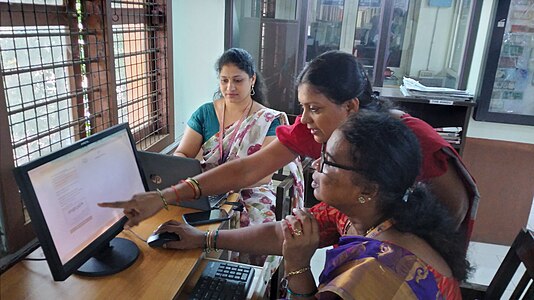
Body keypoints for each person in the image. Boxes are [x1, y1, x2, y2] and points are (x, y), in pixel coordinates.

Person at [99, 50, 474, 253]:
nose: (305, 120)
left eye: (315, 108)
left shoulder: (409, 139)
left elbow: (454, 210)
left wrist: (389, 249)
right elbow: (249, 169)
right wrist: (167, 199)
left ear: (351, 108)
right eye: (302, 107)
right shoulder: (327, 148)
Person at [278, 111, 469, 298]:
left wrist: (298, 266)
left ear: (367, 190)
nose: (315, 165)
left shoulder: (377, 268)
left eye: (328, 161)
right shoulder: (381, 217)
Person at [171, 48, 303, 227]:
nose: (230, 87)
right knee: (181, 219)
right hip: (206, 189)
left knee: (255, 223)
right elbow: (183, 153)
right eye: (224, 80)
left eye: (238, 80)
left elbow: (264, 174)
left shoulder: (268, 120)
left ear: (252, 80)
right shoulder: (205, 113)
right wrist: (178, 167)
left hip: (252, 190)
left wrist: (225, 184)